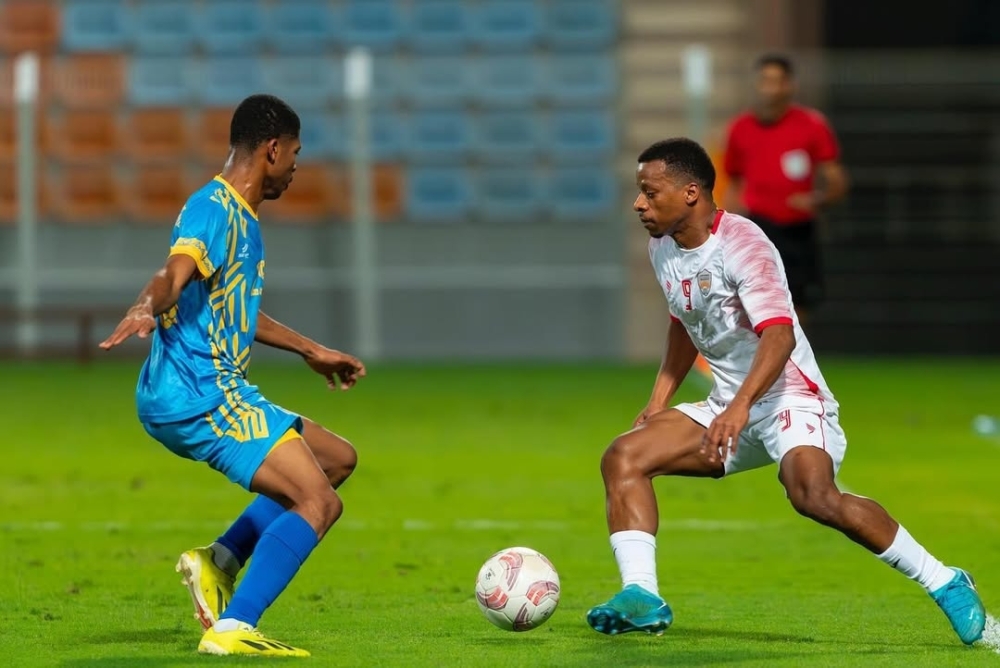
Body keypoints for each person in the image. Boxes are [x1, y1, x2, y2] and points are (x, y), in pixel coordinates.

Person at [585, 138, 985, 645]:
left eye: (649, 191)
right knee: (623, 457)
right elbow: (684, 322)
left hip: (788, 397)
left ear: (690, 192)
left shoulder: (744, 244)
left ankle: (945, 580)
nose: (639, 204)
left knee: (813, 496)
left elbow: (780, 333)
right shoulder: (662, 246)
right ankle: (642, 595)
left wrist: (741, 407)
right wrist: (660, 399)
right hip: (729, 404)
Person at [100, 94, 366, 658]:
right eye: (295, 153)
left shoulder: (243, 219)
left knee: (337, 459)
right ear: (272, 149)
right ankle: (233, 626)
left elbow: (234, 309)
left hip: (215, 388)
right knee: (318, 502)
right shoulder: (213, 208)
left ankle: (217, 561)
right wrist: (146, 305)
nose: (296, 166)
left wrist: (310, 349)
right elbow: (171, 275)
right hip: (198, 394)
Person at [721, 54, 849, 325]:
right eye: (765, 80)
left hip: (797, 228)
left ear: (789, 85)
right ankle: (750, 360)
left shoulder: (811, 125)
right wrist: (726, 230)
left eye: (776, 81)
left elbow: (836, 178)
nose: (770, 88)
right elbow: (733, 183)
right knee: (751, 297)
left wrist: (818, 200)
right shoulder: (739, 129)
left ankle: (790, 360)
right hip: (757, 227)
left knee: (798, 300)